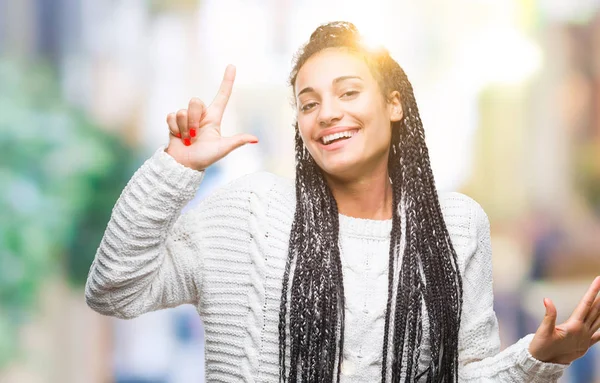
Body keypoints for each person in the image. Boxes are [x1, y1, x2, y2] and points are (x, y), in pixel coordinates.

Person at [85, 21, 600, 382]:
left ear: (394, 104)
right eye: (309, 103)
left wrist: (537, 359)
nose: (326, 113)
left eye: (348, 92)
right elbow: (113, 290)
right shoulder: (245, 214)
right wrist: (175, 167)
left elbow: (468, 375)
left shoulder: (458, 225)